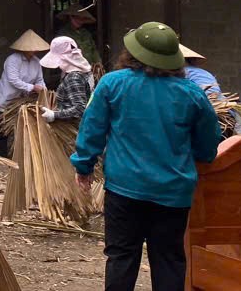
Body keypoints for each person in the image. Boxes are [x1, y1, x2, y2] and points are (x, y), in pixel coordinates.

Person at [71, 22, 219, 291]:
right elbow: (209, 144)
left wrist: (84, 165)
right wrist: (199, 159)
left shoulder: (112, 84)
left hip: (124, 189)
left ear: (132, 53)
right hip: (173, 193)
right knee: (169, 260)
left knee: (121, 257)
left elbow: (92, 128)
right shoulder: (193, 94)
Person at [0, 29, 49, 157]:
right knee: (3, 130)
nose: (34, 50)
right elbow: (13, 80)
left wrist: (43, 90)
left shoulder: (36, 62)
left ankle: (19, 155)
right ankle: (2, 156)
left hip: (23, 101)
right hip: (6, 100)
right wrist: (33, 87)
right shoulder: (13, 60)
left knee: (22, 129)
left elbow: (40, 79)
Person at [39, 37, 94, 124]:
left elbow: (79, 108)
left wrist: (54, 115)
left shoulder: (74, 77)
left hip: (75, 126)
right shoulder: (85, 71)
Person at [55, 3, 101, 69]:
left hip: (89, 67)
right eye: (77, 18)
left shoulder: (86, 33)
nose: (80, 21)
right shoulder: (63, 34)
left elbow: (93, 49)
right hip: (72, 69)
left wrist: (98, 62)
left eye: (82, 19)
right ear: (70, 17)